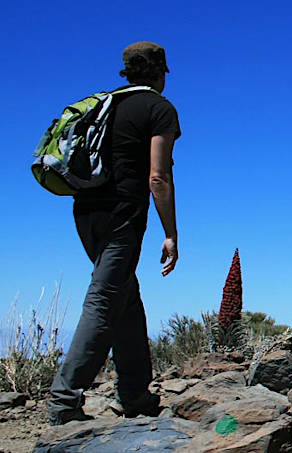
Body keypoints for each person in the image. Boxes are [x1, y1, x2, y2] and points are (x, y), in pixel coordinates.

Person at [48, 41, 181, 425]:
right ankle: (63, 401)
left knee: (126, 296)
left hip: (85, 211)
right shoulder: (159, 108)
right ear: (160, 72)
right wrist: (170, 233)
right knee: (105, 299)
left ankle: (135, 392)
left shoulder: (104, 104)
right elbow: (158, 176)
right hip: (123, 214)